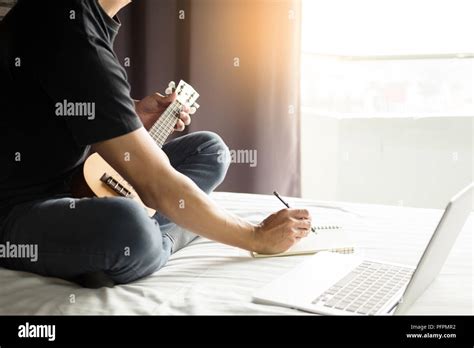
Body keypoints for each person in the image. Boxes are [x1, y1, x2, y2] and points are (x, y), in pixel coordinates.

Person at [0, 0, 312, 288]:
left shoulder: (81, 15)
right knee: (130, 228)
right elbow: (155, 183)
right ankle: (163, 238)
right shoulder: (71, 31)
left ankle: (164, 230)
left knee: (209, 150)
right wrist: (255, 237)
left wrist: (130, 115)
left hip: (72, 178)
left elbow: (47, 106)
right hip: (14, 211)